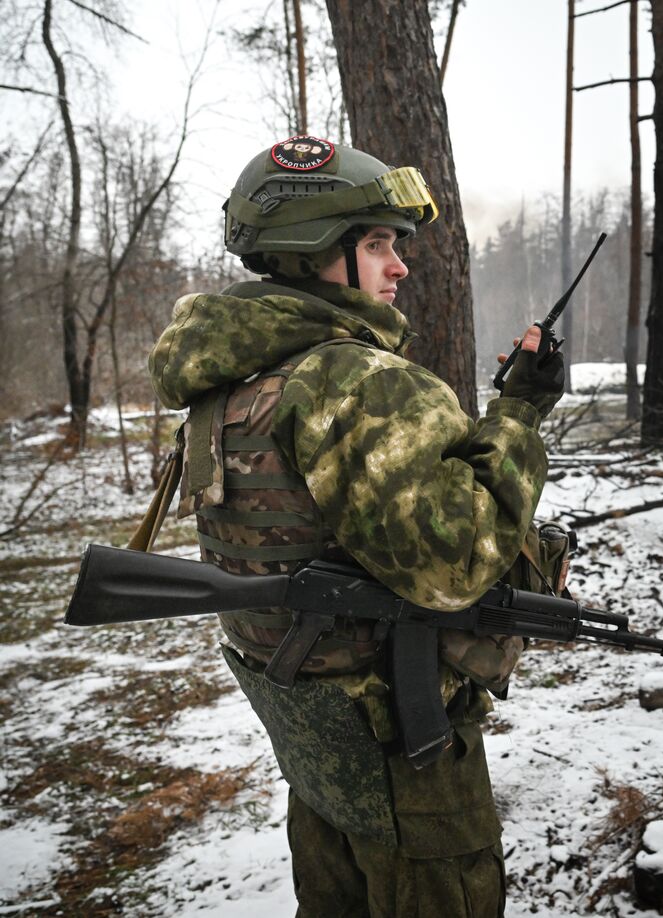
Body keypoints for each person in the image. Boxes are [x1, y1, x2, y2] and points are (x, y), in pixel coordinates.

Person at [147, 135, 565, 917]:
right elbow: (456, 565)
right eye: (377, 244)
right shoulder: (356, 382)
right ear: (312, 251)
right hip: (403, 748)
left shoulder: (233, 384)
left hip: (314, 738)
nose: (400, 266)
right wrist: (517, 417)